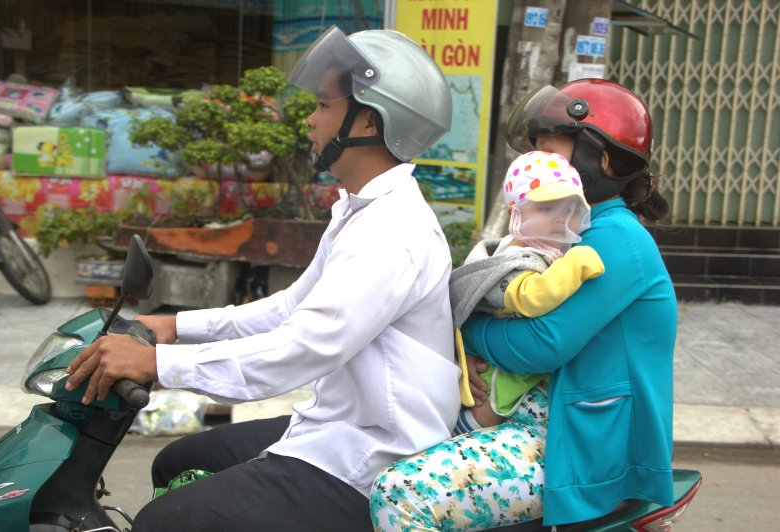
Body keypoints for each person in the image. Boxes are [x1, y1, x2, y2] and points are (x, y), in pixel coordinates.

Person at [65, 26, 460, 531]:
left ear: (368, 120)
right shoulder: (360, 211)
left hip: (373, 457)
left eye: (323, 105)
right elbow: (290, 308)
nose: (311, 119)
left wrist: (157, 364)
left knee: (164, 521)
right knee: (176, 464)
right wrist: (176, 326)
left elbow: (302, 347)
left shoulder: (393, 232)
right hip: (334, 425)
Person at [370, 78, 676, 531]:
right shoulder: (564, 232)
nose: (537, 163)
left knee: (401, 494)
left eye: (549, 150)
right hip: (537, 423)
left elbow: (541, 345)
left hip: (576, 445)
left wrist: (468, 330)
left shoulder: (615, 238)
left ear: (602, 157)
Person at [450, 150, 604, 434]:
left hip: (502, 351)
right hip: (494, 368)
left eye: (568, 210)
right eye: (546, 209)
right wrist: (577, 264)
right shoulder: (513, 258)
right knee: (490, 406)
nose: (559, 219)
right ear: (515, 213)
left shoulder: (542, 249)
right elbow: (530, 298)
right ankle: (464, 429)